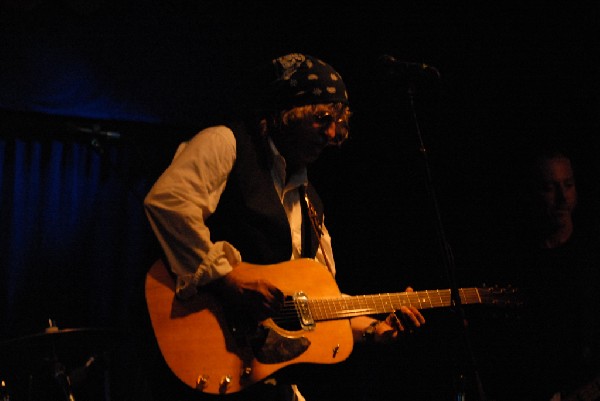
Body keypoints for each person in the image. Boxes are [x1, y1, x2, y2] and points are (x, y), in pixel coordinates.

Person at [143, 53, 425, 401]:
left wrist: (374, 330)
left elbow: (321, 303)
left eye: (339, 122)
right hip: (207, 355)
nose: (333, 134)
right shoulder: (227, 143)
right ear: (289, 114)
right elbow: (168, 203)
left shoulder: (311, 202)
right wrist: (228, 280)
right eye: (322, 119)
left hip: (267, 381)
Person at [472, 146, 600, 401]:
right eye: (550, 188)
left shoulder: (590, 256)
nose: (563, 197)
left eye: (569, 184)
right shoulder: (513, 260)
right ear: (530, 193)